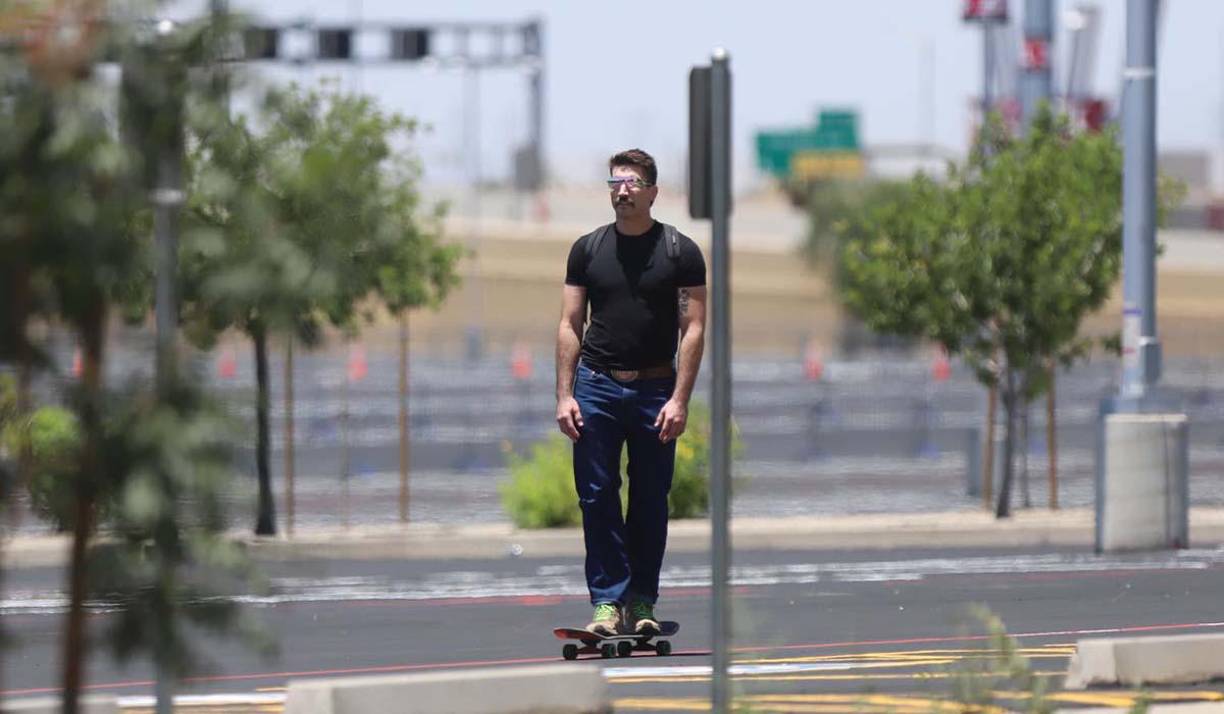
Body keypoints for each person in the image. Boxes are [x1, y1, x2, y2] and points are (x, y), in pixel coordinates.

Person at [555, 148, 707, 635]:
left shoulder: (679, 252)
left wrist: (679, 399)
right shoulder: (587, 249)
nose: (622, 190)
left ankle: (642, 603)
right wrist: (565, 394)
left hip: (655, 390)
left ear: (652, 192)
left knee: (649, 499)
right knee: (596, 496)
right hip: (596, 386)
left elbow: (694, 328)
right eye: (615, 182)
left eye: (632, 183)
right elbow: (570, 322)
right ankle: (607, 603)